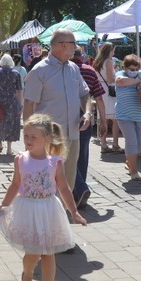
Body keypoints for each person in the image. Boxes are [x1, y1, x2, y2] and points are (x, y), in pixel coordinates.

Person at [0, 114, 87, 281]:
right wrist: (4, 205)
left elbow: (63, 188)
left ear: (47, 138)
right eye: (25, 135)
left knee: (48, 253)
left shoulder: (55, 162)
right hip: (28, 209)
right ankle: (27, 273)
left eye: (33, 137)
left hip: (49, 209)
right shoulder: (20, 159)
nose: (28, 140)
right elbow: (15, 184)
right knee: (33, 252)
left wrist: (74, 212)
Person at [23, 30, 91, 190]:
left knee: (68, 184)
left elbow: (85, 94)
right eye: (74, 43)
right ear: (62, 45)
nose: (76, 47)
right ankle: (47, 214)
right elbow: (28, 105)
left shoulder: (74, 68)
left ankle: (65, 214)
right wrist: (28, 138)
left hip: (73, 136)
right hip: (48, 138)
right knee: (46, 184)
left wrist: (87, 112)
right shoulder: (39, 71)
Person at [71, 48, 106, 208]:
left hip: (67, 117)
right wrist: (103, 121)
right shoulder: (90, 71)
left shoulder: (65, 70)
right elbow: (98, 97)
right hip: (86, 116)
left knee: (65, 154)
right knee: (82, 155)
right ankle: (80, 190)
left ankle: (78, 189)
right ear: (82, 56)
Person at [0, 54, 23, 154]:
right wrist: (20, 103)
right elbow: (19, 90)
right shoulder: (16, 73)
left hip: (0, 101)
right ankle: (9, 149)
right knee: (12, 124)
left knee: (0, 122)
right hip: (13, 101)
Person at [93, 42, 121, 153]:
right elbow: (110, 79)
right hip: (109, 91)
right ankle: (115, 144)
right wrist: (119, 78)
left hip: (101, 90)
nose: (114, 52)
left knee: (102, 118)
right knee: (115, 119)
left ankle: (103, 144)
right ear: (110, 50)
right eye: (113, 50)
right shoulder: (108, 61)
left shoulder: (98, 61)